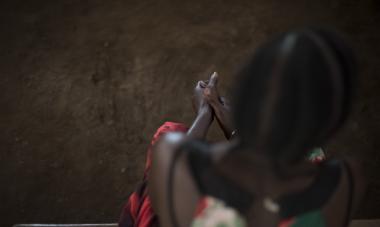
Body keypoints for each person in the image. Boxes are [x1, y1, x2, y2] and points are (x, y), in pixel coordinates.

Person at [120, 28, 366, 227]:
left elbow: (178, 163)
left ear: (245, 92)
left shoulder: (172, 155)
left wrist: (206, 113)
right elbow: (276, 160)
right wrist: (233, 127)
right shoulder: (345, 179)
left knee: (169, 133)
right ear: (335, 117)